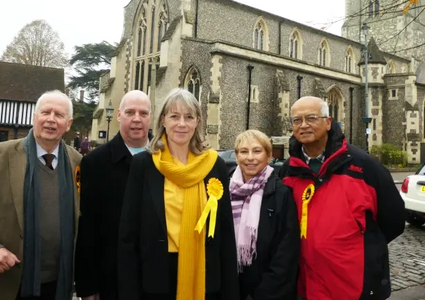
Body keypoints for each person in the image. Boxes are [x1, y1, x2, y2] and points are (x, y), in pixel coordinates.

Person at [0, 90, 82, 300]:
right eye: (45, 112)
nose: (50, 119)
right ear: (34, 117)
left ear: (68, 124)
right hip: (6, 282)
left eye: (58, 115)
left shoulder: (76, 161)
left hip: (58, 284)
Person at [278, 96, 405, 300]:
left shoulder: (364, 166)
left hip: (352, 286)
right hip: (304, 285)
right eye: (296, 120)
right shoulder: (288, 170)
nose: (303, 125)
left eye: (311, 118)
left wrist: (355, 249)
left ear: (328, 122)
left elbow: (394, 221)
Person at [118, 88, 239, 300]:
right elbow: (129, 234)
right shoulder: (144, 165)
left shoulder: (215, 165)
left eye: (189, 117)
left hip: (204, 277)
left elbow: (226, 233)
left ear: (197, 122)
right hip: (155, 280)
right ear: (163, 120)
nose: (181, 124)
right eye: (174, 116)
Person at [75, 90, 152, 300]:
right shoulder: (95, 163)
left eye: (143, 113)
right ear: (119, 115)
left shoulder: (166, 160)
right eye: (130, 112)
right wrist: (88, 285)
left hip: (156, 276)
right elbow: (88, 228)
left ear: (151, 118)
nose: (137, 119)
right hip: (112, 276)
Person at [230, 129, 300, 300]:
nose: (250, 157)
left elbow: (286, 251)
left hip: (267, 289)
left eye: (257, 151)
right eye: (244, 151)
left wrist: (265, 293)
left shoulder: (281, 193)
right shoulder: (223, 190)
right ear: (237, 156)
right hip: (231, 287)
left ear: (268, 156)